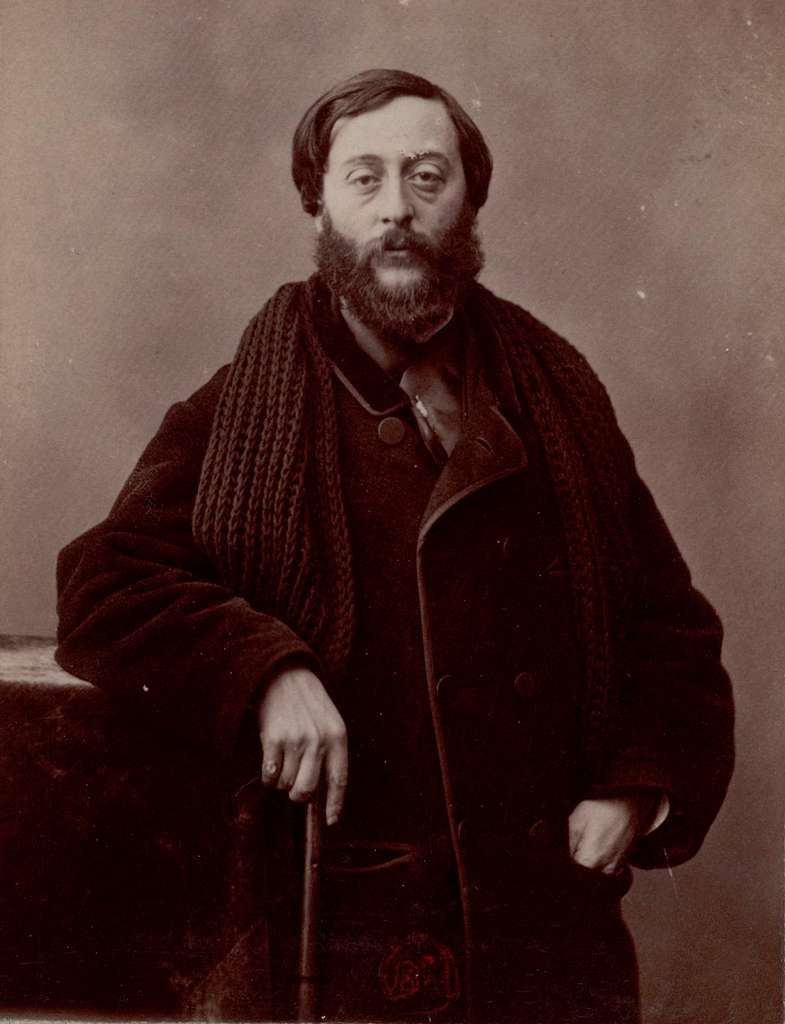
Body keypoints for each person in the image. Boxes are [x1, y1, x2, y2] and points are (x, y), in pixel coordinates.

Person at [55, 69, 734, 1024]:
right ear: (319, 206)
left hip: (545, 929)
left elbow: (669, 633)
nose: (396, 211)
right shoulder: (246, 403)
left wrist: (634, 790)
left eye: (426, 177)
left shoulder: (559, 395)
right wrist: (264, 670)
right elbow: (106, 584)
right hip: (341, 937)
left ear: (468, 201)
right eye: (364, 178)